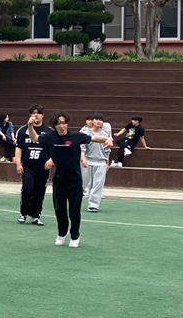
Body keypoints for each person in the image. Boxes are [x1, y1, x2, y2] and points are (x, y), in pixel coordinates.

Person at [43, 112, 85, 248]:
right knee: (59, 210)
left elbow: (95, 138)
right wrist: (30, 126)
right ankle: (62, 233)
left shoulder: (76, 137)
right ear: (54, 125)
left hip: (75, 181)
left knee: (74, 211)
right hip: (59, 181)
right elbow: (35, 138)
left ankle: (75, 236)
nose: (61, 126)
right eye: (58, 123)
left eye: (63, 123)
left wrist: (107, 139)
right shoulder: (50, 137)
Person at [13, 105, 48, 226]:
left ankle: (36, 215)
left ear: (43, 115)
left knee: (40, 191)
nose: (36, 115)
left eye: (38, 113)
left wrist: (51, 160)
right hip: (28, 165)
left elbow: (53, 148)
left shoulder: (49, 131)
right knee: (27, 188)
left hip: (42, 167)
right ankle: (23, 213)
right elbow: (18, 147)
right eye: (33, 113)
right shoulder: (23, 130)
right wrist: (18, 163)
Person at [82, 114, 113, 213]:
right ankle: (75, 201)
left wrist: (107, 162)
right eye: (96, 119)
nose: (98, 122)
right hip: (88, 161)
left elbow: (107, 150)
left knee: (98, 185)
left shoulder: (105, 135)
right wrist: (83, 159)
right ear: (92, 121)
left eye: (100, 120)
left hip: (100, 162)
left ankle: (93, 205)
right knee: (83, 183)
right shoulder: (86, 133)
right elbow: (82, 148)